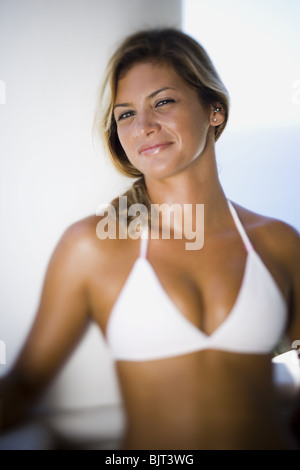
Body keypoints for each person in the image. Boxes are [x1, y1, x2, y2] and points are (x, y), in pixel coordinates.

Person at [0, 28, 300, 450]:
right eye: (125, 114)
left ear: (214, 110)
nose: (143, 126)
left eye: (163, 102)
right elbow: (25, 384)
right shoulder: (92, 246)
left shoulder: (278, 243)